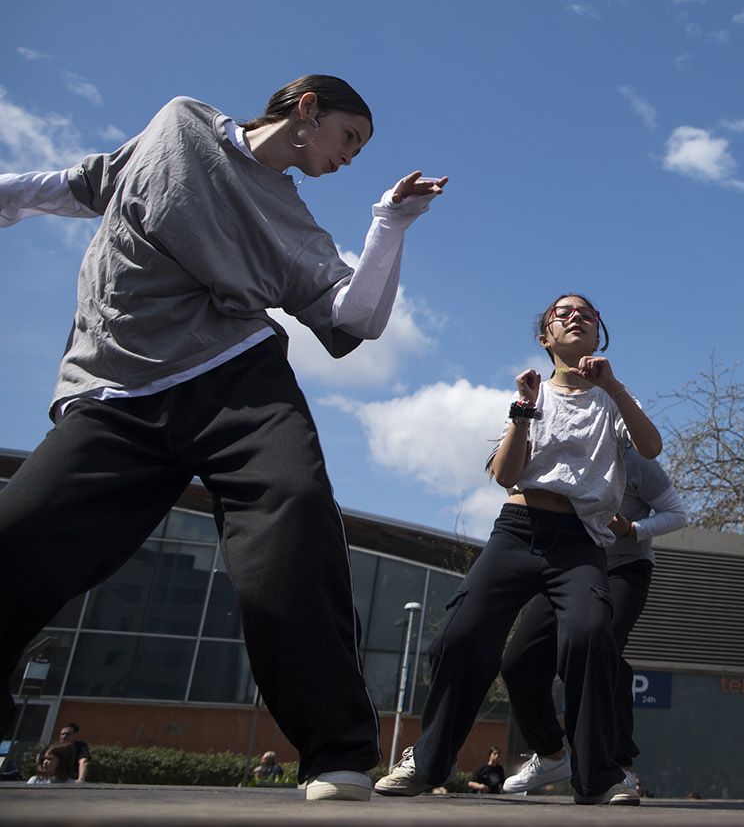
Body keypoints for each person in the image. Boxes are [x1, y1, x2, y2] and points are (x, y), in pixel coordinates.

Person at [0, 76, 446, 802]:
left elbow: (354, 319)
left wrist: (389, 226)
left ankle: (335, 748)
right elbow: (92, 180)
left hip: (234, 379)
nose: (351, 156)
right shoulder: (181, 124)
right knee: (19, 539)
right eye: (349, 138)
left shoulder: (292, 220)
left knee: (294, 511)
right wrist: (8, 194)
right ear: (307, 108)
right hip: (116, 388)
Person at [377, 293, 661, 806]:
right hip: (517, 530)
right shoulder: (531, 396)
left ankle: (597, 774)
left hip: (579, 543)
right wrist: (522, 412)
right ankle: (427, 759)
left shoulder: (614, 399)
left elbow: (651, 447)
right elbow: (506, 475)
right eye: (563, 313)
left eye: (587, 314)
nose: (576, 316)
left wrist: (614, 387)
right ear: (544, 338)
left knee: (590, 635)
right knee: (460, 637)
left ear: (599, 334)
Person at [501, 448, 688, 796]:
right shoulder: (566, 453)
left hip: (624, 567)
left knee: (599, 648)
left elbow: (677, 514)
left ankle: (618, 764)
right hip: (568, 566)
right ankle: (550, 754)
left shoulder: (634, 461)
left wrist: (633, 528)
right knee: (518, 660)